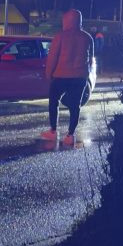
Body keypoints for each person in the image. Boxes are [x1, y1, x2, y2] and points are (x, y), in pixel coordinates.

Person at [43, 9, 95, 145]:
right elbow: (90, 59)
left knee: (54, 101)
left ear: (67, 21)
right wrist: (87, 72)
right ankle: (70, 135)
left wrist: (49, 73)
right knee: (75, 105)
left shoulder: (60, 37)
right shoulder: (87, 37)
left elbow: (53, 57)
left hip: (61, 75)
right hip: (79, 76)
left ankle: (53, 131)